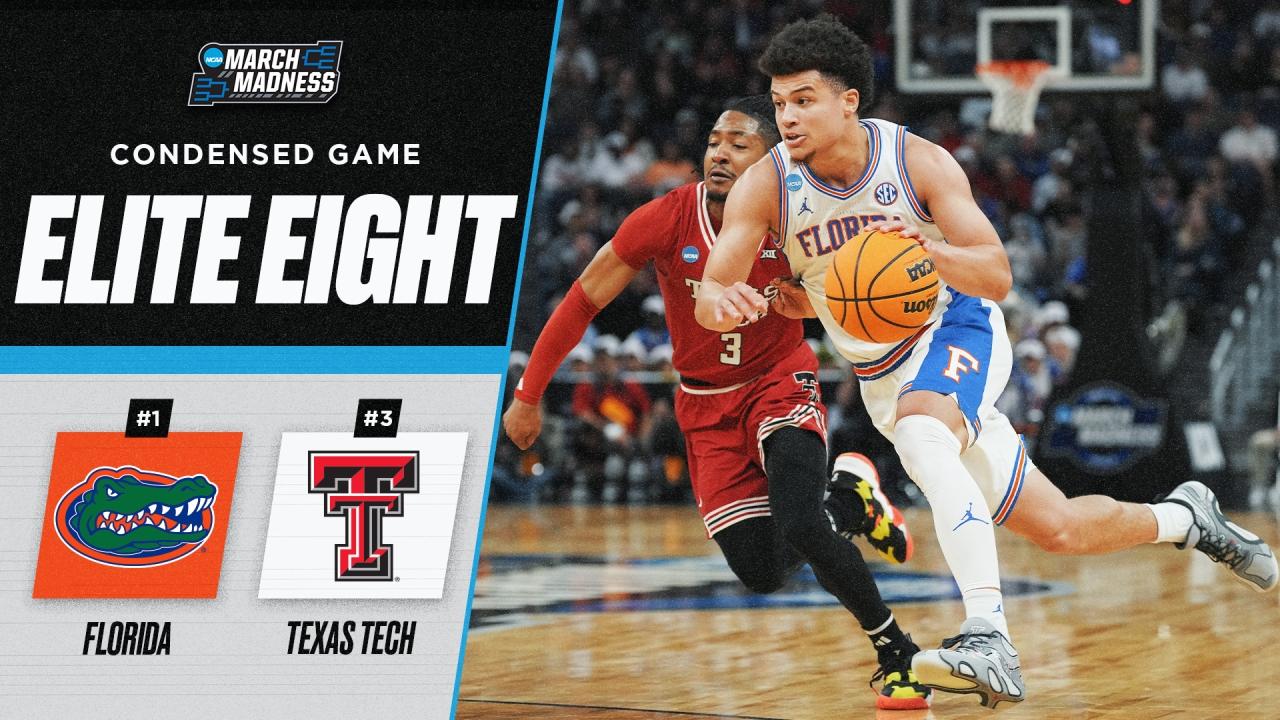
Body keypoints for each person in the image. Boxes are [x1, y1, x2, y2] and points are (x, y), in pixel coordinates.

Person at [695, 15, 1279, 709]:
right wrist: (725, 304)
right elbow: (711, 294)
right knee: (1058, 527)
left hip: (957, 326)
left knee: (923, 431)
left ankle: (988, 637)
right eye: (779, 102)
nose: (786, 117)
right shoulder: (767, 185)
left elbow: (996, 275)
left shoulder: (917, 163)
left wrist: (929, 251)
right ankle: (1187, 518)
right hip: (881, 374)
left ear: (848, 101)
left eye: (803, 100)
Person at [504, 96, 931, 711]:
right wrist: (529, 393)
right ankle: (850, 500)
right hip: (704, 404)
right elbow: (583, 299)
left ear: (773, 161)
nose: (720, 154)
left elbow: (855, 291)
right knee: (762, 571)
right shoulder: (664, 218)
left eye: (739, 144)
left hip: (779, 380)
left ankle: (896, 651)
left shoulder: (800, 216)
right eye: (713, 142)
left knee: (799, 519)